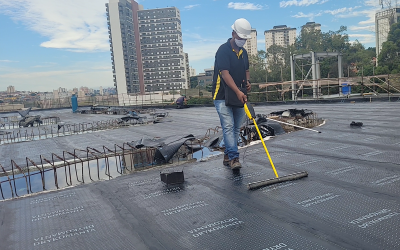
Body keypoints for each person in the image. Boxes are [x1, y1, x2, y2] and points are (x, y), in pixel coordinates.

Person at [211, 18, 252, 170]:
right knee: (228, 126)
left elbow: (246, 70)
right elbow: (225, 74)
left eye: (244, 38)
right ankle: (234, 158)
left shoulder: (244, 53)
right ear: (233, 33)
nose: (242, 41)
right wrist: (237, 91)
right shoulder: (223, 51)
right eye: (240, 37)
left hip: (239, 93)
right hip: (222, 95)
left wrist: (247, 82)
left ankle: (228, 154)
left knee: (235, 128)